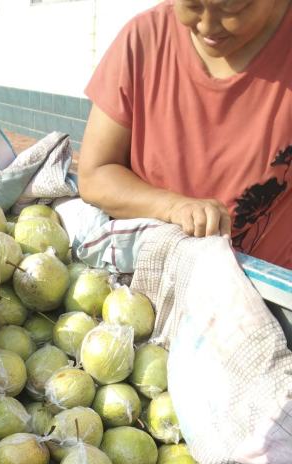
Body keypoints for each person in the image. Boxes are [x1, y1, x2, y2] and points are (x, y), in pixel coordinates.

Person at [78, 0, 292, 269]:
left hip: (272, 293)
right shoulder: (144, 39)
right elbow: (95, 173)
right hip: (152, 280)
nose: (207, 26)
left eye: (232, 9)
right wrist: (172, 206)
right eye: (192, 5)